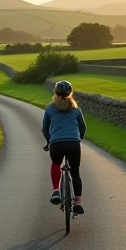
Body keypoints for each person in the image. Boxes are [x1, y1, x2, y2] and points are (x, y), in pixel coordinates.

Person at [42, 80, 87, 214]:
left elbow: (45, 128)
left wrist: (49, 140)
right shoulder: (76, 109)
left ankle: (56, 191)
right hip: (73, 143)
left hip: (56, 143)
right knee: (75, 172)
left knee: (56, 163)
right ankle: (78, 202)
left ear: (55, 93)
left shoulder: (50, 108)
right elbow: (83, 127)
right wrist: (78, 139)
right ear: (70, 93)